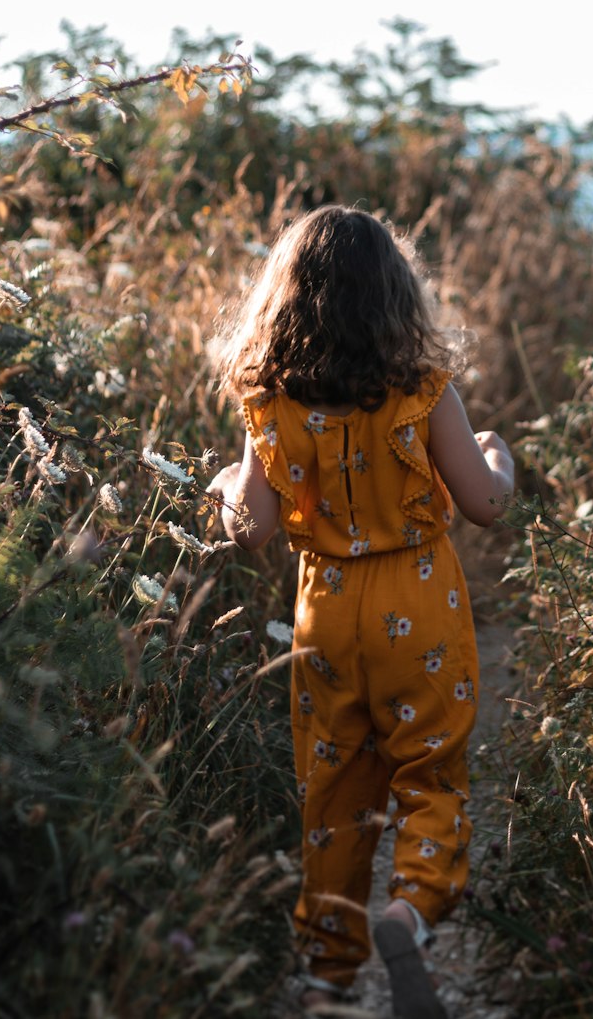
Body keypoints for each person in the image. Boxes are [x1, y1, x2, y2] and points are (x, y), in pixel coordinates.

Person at [209, 205, 514, 1018]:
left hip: (327, 610)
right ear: (394, 294)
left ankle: (325, 975)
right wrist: (497, 458)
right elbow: (483, 506)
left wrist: (226, 493)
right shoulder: (420, 386)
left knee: (333, 794)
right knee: (430, 771)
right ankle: (410, 909)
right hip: (418, 595)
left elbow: (255, 529)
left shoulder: (267, 397)